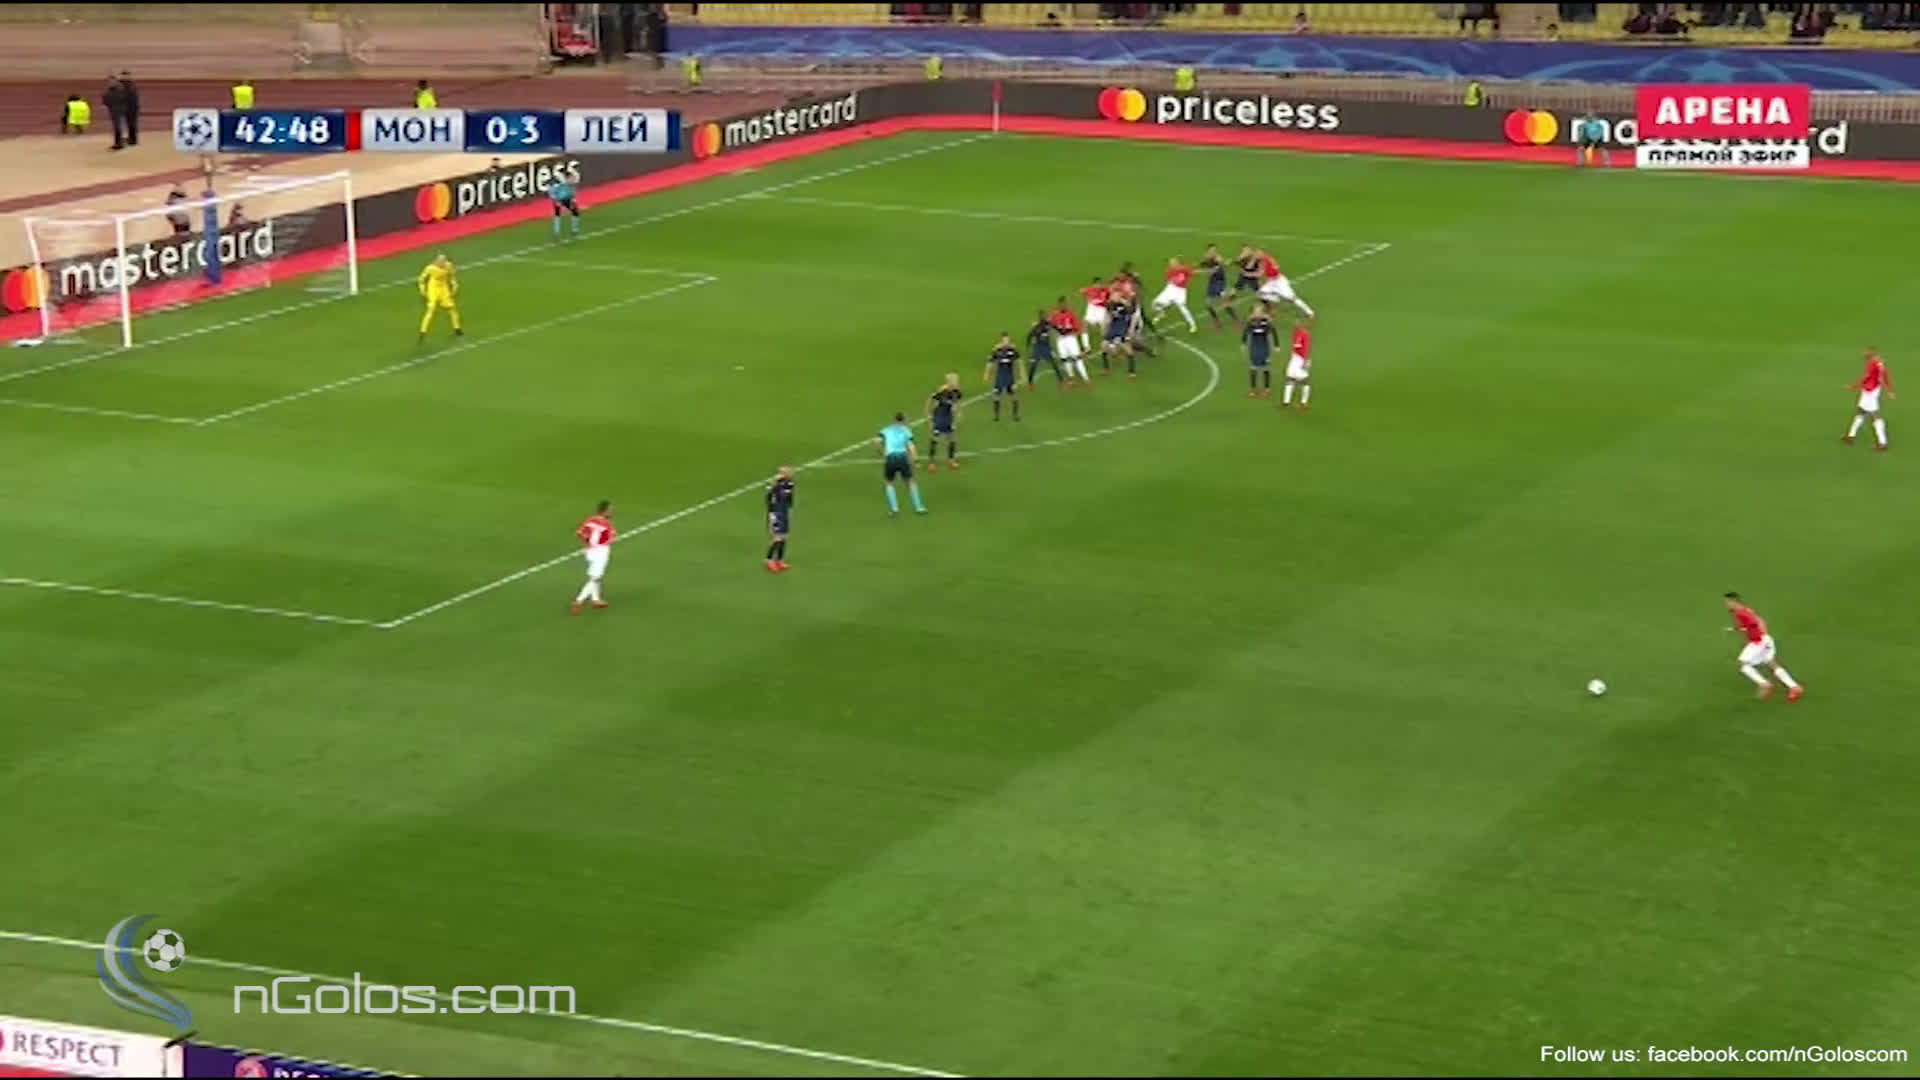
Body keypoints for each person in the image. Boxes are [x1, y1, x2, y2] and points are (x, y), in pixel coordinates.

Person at [1723, 593, 1803, 701]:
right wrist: (1737, 629)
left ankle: (1764, 684)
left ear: (1734, 601)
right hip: (1764, 639)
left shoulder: (1741, 612)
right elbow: (1757, 622)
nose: (1725, 604)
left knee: (1742, 664)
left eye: (1727, 602)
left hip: (1758, 641)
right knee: (1771, 662)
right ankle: (1795, 687)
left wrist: (1756, 636)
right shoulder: (1745, 610)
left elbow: (1752, 623)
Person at [878, 412, 927, 517]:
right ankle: (919, 507)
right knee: (910, 482)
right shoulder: (906, 431)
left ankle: (894, 509)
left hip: (890, 458)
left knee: (889, 482)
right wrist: (916, 461)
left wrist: (882, 452)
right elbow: (911, 447)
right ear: (903, 420)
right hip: (902, 458)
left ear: (894, 420)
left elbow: (877, 441)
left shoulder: (886, 430)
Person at [1843, 347, 1892, 450]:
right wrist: (1888, 390)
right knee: (1861, 411)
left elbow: (1866, 378)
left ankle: (1882, 443)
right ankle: (1851, 436)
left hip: (1870, 392)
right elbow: (1884, 376)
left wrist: (1853, 386)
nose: (1863, 354)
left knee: (1875, 415)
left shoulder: (1872, 364)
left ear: (1871, 353)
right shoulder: (1879, 363)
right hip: (1871, 390)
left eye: (1866, 352)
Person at [570, 500, 614, 613]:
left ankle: (596, 600)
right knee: (595, 578)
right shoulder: (606, 524)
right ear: (605, 511)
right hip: (601, 553)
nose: (611, 512)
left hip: (589, 552)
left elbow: (579, 533)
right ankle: (578, 601)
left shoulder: (590, 520)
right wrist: (608, 539)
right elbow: (610, 538)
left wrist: (588, 541)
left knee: (595, 576)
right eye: (610, 510)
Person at [1255, 248, 1315, 319]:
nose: (1256, 255)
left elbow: (1261, 273)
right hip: (1272, 281)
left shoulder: (1265, 261)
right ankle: (1274, 302)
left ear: (1262, 253)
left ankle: (1309, 312)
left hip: (1279, 282)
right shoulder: (1266, 259)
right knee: (1261, 294)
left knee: (1292, 298)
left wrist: (1248, 274)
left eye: (1258, 253)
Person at [416, 253, 463, 341]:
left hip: (443, 289)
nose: (442, 263)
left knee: (451, 309)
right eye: (440, 261)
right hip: (433, 289)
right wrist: (423, 291)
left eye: (444, 261)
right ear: (436, 261)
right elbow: (421, 280)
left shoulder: (448, 266)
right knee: (431, 309)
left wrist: (454, 285)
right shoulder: (430, 268)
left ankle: (457, 329)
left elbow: (452, 276)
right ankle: (422, 331)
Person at [1151, 255, 1198, 333]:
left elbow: (1192, 273)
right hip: (1170, 288)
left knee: (1182, 308)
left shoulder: (1184, 269)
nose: (1171, 264)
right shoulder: (1169, 271)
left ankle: (1193, 325)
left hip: (1180, 291)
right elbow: (1169, 280)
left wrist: (1200, 271)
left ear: (1177, 263)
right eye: (1170, 263)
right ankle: (1161, 313)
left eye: (1173, 263)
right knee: (1154, 304)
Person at [1049, 300, 1091, 388]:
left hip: (1070, 339)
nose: (1062, 306)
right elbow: (1052, 326)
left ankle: (1086, 379)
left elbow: (1077, 328)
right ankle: (1071, 378)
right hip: (1061, 340)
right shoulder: (1055, 315)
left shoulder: (1071, 315)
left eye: (1064, 305)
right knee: (1065, 359)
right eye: (1061, 305)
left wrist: (1073, 334)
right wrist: (1056, 334)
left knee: (1077, 359)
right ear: (1058, 305)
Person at [926, 373, 962, 470]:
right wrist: (928, 415)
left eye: (956, 381)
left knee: (951, 438)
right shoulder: (942, 391)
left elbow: (957, 403)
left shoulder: (957, 392)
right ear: (948, 382)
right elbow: (931, 400)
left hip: (948, 416)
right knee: (935, 438)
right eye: (954, 381)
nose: (956, 383)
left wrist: (957, 415)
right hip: (939, 416)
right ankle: (931, 463)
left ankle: (951, 460)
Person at [984, 332, 1022, 421]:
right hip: (1000, 376)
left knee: (1014, 396)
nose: (1006, 342)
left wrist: (1021, 374)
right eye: (1004, 341)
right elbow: (990, 362)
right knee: (997, 395)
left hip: (1010, 376)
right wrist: (986, 374)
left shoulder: (1012, 351)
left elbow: (1019, 361)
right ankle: (996, 416)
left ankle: (1015, 415)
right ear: (1001, 341)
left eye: (1008, 340)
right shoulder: (997, 351)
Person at [763, 466, 795, 573]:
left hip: (784, 512)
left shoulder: (789, 483)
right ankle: (769, 560)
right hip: (775, 514)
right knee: (777, 538)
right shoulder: (774, 485)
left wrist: (789, 510)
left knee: (784, 537)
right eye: (788, 472)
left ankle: (779, 560)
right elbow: (768, 496)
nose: (791, 474)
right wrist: (775, 482)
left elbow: (789, 498)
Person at [1243, 302, 1276, 397]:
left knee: (1266, 368)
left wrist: (1276, 345)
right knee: (1253, 368)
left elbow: (1273, 331)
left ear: (1262, 312)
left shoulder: (1266, 322)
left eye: (1259, 311)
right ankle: (1253, 389)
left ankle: (1267, 389)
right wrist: (1244, 342)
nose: (1257, 313)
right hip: (1254, 348)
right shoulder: (1251, 322)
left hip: (1264, 348)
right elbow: (1246, 332)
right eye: (1256, 311)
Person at [1025, 308, 1063, 390]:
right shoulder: (1037, 327)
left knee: (1054, 364)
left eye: (1045, 316)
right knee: (1034, 365)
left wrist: (1060, 331)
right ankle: (1030, 382)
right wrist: (1028, 346)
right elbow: (1029, 336)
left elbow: (1056, 327)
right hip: (1038, 347)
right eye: (1043, 316)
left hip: (1046, 347)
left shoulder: (1048, 324)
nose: (1045, 317)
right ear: (1040, 317)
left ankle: (1061, 381)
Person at [1282, 319, 1313, 409]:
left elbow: (1305, 348)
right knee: (1291, 378)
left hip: (1300, 359)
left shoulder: (1303, 334)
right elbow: (1296, 347)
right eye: (1295, 323)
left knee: (1301, 380)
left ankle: (1302, 403)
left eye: (1297, 323)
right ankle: (1287, 402)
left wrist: (1305, 361)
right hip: (1296, 358)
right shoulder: (1297, 334)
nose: (1295, 324)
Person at [1197, 244, 1230, 328]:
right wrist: (1198, 266)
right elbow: (1204, 264)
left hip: (1220, 281)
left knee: (1225, 302)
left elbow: (1212, 271)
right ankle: (1216, 321)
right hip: (1212, 282)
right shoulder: (1206, 257)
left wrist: (1199, 271)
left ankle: (1236, 320)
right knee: (1207, 304)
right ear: (1208, 251)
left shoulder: (1218, 259)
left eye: (1215, 250)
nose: (1214, 252)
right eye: (1212, 250)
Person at [1078, 275, 1108, 353]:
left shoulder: (1105, 291)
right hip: (1092, 309)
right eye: (1096, 284)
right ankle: (1086, 347)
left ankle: (1105, 346)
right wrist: (1087, 298)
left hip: (1101, 310)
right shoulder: (1090, 290)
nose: (1098, 286)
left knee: (1103, 328)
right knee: (1084, 325)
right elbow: (1082, 291)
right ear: (1093, 284)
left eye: (1099, 284)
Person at [546, 174, 581, 239]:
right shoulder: (559, 185)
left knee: (575, 212)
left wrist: (573, 201)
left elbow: (572, 195)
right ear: (567, 179)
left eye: (573, 179)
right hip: (558, 199)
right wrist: (556, 201)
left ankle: (574, 230)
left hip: (567, 199)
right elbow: (551, 192)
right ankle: (556, 232)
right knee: (557, 213)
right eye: (571, 179)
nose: (573, 180)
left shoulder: (572, 186)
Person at [102, 74, 128, 150]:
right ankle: (118, 142)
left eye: (112, 81)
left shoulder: (119, 89)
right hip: (113, 110)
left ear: (115, 81)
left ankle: (119, 143)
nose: (110, 83)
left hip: (118, 110)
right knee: (117, 126)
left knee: (117, 126)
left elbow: (123, 99)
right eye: (109, 81)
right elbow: (105, 99)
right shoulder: (110, 90)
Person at [118, 71, 141, 147]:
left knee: (131, 123)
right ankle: (128, 139)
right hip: (125, 107)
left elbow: (133, 97)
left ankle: (132, 139)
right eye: (124, 76)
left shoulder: (131, 85)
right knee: (122, 123)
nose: (125, 77)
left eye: (126, 76)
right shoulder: (123, 84)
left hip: (131, 107)